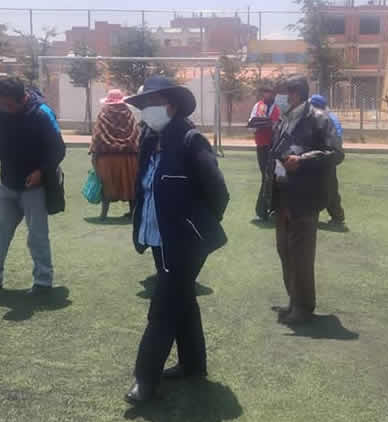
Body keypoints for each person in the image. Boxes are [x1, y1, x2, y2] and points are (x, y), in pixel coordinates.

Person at [123, 76, 230, 404]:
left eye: (150, 105)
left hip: (184, 243)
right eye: (142, 106)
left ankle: (146, 380)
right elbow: (144, 188)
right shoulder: (148, 139)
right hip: (158, 239)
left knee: (163, 308)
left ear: (170, 105)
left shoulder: (189, 140)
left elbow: (218, 193)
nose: (144, 112)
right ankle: (193, 365)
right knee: (182, 300)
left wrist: (192, 229)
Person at [0, 78, 66, 297]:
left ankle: (43, 282)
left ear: (23, 99)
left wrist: (41, 172)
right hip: (8, 184)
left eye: (10, 105)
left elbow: (58, 149)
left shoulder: (41, 114)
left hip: (34, 188)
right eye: (2, 104)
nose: (5, 109)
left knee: (37, 235)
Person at [267, 76, 341, 325]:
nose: (277, 98)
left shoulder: (320, 119)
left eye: (281, 93)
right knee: (284, 250)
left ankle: (303, 307)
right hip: (282, 195)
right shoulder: (284, 119)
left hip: (305, 196)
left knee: (301, 254)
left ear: (295, 94)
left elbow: (335, 152)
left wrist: (303, 160)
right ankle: (293, 299)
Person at [91, 89, 140, 220]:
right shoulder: (129, 115)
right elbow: (136, 135)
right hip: (129, 157)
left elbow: (98, 137)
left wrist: (94, 157)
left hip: (107, 158)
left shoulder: (103, 114)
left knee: (107, 185)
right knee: (130, 186)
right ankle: (133, 212)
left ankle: (103, 214)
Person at [309, 94, 346, 226]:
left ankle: (337, 216)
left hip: (329, 154)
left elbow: (332, 139)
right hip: (332, 154)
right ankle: (336, 216)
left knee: (329, 186)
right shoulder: (330, 116)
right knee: (329, 185)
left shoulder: (323, 117)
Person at [248, 84, 281, 220]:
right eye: (265, 92)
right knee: (266, 177)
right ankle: (266, 210)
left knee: (274, 177)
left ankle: (264, 210)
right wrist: (255, 124)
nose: (267, 95)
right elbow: (251, 125)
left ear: (274, 94)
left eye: (270, 92)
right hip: (262, 146)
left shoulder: (280, 107)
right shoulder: (258, 106)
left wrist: (273, 126)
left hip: (276, 146)